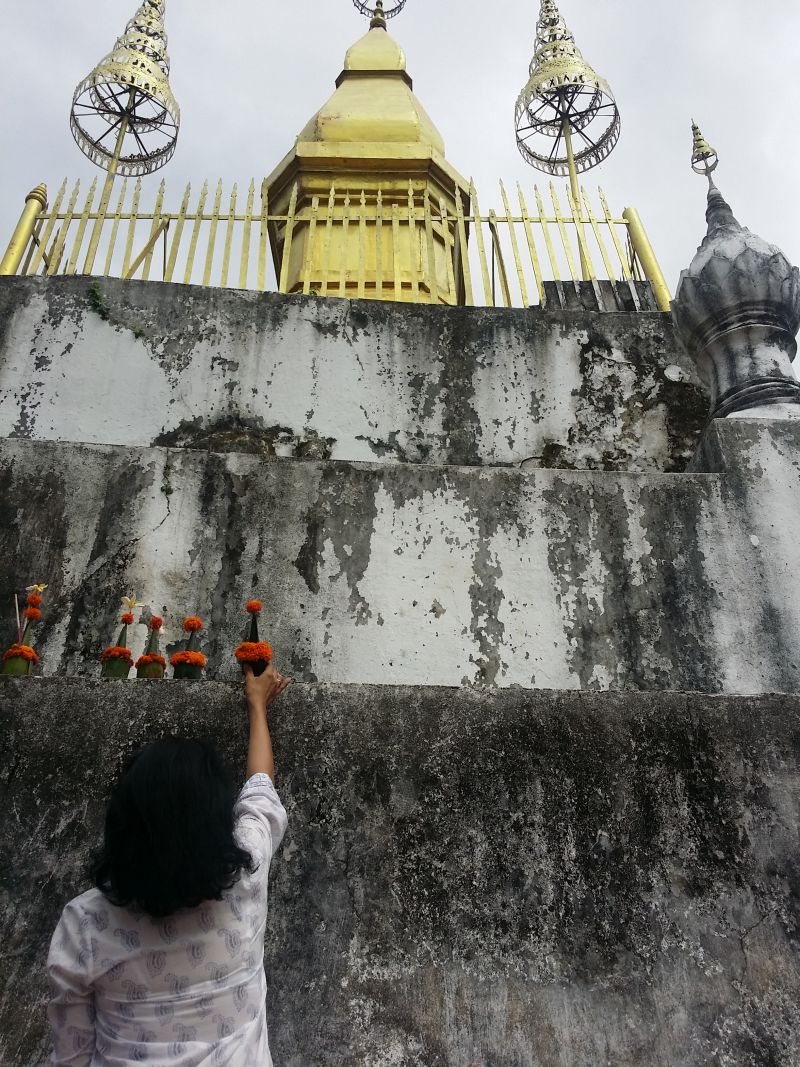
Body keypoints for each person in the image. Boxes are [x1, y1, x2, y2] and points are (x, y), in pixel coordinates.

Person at [47, 663, 291, 1067]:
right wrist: (257, 706)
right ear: (218, 819)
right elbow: (260, 791)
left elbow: (71, 1054)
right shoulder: (246, 877)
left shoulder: (85, 924)